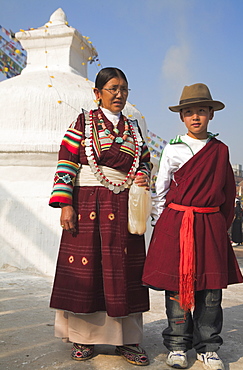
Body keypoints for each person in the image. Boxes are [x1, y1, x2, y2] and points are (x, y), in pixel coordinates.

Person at [49, 67, 152, 366]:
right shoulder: (83, 123)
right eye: (113, 89)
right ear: (97, 94)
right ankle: (84, 338)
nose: (119, 94)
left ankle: (127, 340)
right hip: (88, 205)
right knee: (88, 271)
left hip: (124, 208)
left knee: (125, 271)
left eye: (124, 88)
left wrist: (143, 176)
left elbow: (144, 162)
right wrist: (66, 205)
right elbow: (66, 161)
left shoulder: (134, 129)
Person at [142, 83, 243, 370]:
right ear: (181, 117)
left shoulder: (220, 150)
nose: (195, 117)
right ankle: (177, 345)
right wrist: (163, 225)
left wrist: (218, 226)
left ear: (211, 114)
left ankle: (208, 347)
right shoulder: (172, 149)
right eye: (189, 112)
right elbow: (160, 190)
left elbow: (227, 193)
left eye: (201, 111)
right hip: (176, 223)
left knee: (211, 290)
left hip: (210, 222)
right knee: (176, 287)